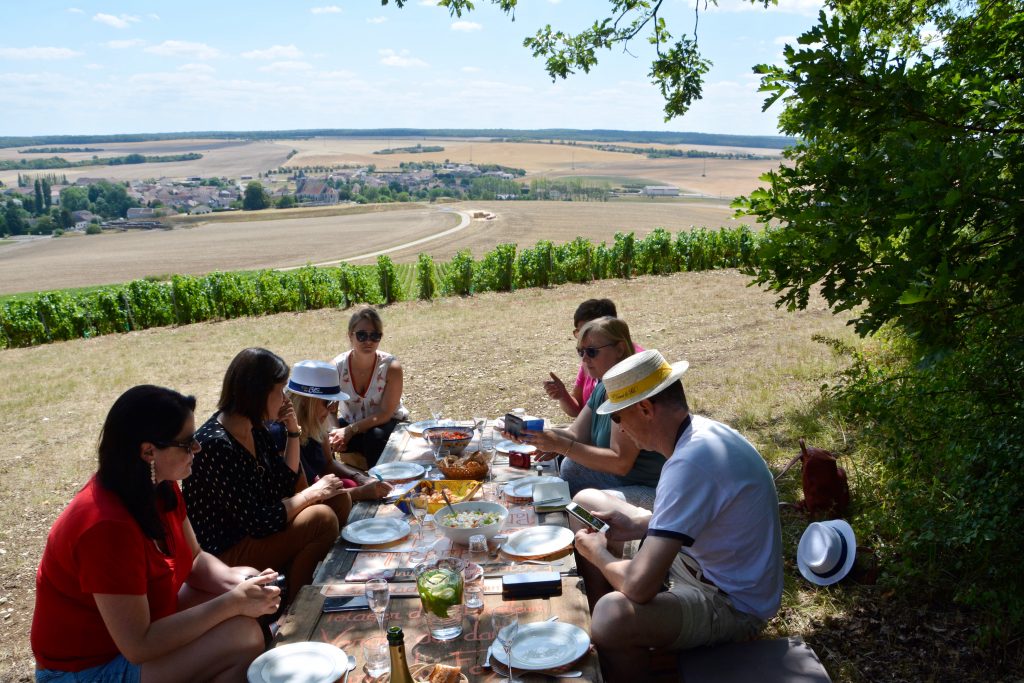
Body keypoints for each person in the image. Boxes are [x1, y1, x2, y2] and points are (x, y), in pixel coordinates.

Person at [31, 385, 279, 682]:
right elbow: (139, 644)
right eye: (187, 443)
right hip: (85, 669)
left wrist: (244, 586)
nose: (197, 448)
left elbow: (196, 559)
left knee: (245, 577)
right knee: (243, 635)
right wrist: (233, 602)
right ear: (148, 451)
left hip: (134, 637)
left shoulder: (161, 485)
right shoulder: (105, 526)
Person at [573, 350, 783, 680]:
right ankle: (615, 641)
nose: (620, 428)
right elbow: (707, 518)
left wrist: (598, 554)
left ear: (644, 408)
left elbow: (640, 587)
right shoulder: (698, 436)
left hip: (731, 603)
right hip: (697, 565)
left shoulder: (690, 463)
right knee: (586, 503)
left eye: (618, 417)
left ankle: (617, 643)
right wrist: (638, 524)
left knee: (612, 616)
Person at [184, 348, 350, 602]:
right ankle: (297, 609)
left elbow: (283, 483)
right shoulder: (215, 445)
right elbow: (257, 522)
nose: (285, 399)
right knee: (321, 517)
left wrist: (293, 432)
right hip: (227, 552)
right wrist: (311, 494)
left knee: (337, 499)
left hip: (258, 531)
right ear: (257, 393)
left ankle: (315, 579)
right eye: (280, 390)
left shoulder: (255, 428)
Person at [517, 317, 664, 508]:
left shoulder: (629, 392)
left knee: (586, 501)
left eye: (592, 352)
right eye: (581, 352)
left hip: (651, 488)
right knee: (571, 466)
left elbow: (621, 462)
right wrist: (531, 434)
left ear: (619, 349)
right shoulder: (604, 385)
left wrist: (560, 445)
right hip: (622, 479)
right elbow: (575, 434)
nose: (584, 359)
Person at [276, 359, 393, 501]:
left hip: (320, 489)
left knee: (351, 483)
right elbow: (303, 496)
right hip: (307, 499)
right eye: (328, 402)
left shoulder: (316, 422)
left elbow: (329, 464)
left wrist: (360, 477)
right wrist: (360, 492)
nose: (332, 409)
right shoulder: (281, 433)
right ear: (306, 402)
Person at [328, 307, 409, 469]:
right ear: (350, 335)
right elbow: (330, 410)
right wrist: (335, 432)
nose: (368, 341)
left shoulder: (391, 367)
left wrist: (350, 431)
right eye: (362, 335)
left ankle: (378, 486)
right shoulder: (336, 367)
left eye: (375, 336)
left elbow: (385, 414)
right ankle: (329, 483)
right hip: (354, 425)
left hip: (388, 425)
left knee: (375, 436)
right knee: (320, 436)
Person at [543, 298, 620, 418]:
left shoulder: (631, 370)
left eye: (587, 331)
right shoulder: (590, 358)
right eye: (579, 332)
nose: (584, 358)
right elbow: (579, 411)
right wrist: (563, 395)